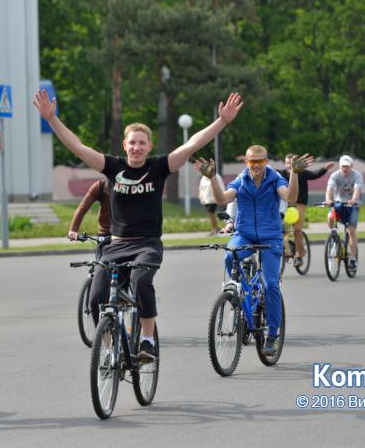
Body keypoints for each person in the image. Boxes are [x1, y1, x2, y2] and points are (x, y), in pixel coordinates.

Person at [33, 89, 243, 361]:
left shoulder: (158, 168)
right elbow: (78, 146)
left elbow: (191, 144)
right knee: (96, 296)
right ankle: (109, 347)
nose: (137, 147)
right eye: (132, 142)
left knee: (141, 281)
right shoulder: (112, 167)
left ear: (149, 146)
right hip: (116, 246)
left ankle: (146, 341)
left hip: (147, 245)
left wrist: (222, 122)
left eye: (142, 143)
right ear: (124, 144)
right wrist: (51, 119)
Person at [194, 146, 313, 356]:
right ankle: (242, 299)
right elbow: (223, 199)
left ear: (266, 161)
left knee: (271, 285)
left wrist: (294, 173)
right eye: (251, 162)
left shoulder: (275, 179)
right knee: (229, 256)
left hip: (270, 236)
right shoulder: (242, 180)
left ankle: (273, 335)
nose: (255, 165)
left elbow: (291, 197)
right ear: (246, 163)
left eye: (259, 161)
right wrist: (212, 177)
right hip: (245, 233)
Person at [280, 154, 336, 267]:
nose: (289, 165)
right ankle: (284, 250)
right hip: (286, 204)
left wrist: (325, 168)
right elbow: (267, 170)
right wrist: (253, 161)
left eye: (291, 163)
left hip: (300, 204)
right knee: (281, 230)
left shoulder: (303, 173)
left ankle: (299, 255)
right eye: (287, 163)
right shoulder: (281, 174)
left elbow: (315, 174)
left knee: (297, 229)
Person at [325, 155, 363, 271]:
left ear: (351, 166)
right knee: (331, 216)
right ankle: (334, 234)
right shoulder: (335, 175)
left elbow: (357, 190)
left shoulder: (357, 175)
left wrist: (353, 200)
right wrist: (328, 199)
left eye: (347, 166)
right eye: (343, 167)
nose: (345, 169)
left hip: (352, 205)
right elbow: (330, 189)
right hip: (338, 203)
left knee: (351, 230)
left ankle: (352, 258)